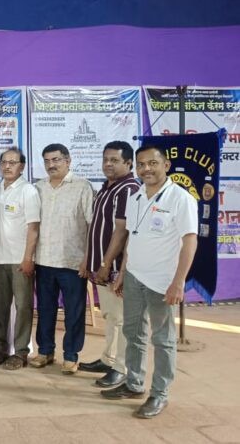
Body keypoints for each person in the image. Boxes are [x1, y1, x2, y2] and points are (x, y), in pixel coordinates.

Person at [101, 144, 197, 419]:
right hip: (134, 277)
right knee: (133, 332)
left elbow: (189, 241)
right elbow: (132, 237)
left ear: (166, 165)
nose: (146, 169)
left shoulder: (180, 199)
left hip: (162, 282)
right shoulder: (136, 197)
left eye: (152, 163)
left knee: (163, 339)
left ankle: (159, 394)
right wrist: (123, 273)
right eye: (141, 164)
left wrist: (178, 282)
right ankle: (134, 383)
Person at [79, 142, 140, 387]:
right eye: (105, 159)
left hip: (115, 268)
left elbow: (121, 231)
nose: (108, 164)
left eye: (114, 160)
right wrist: (89, 259)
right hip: (100, 266)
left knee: (122, 318)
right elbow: (95, 227)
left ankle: (121, 367)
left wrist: (106, 264)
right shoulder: (106, 188)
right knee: (111, 316)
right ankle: (109, 359)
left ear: (128, 163)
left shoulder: (128, 189)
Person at [31, 144, 94, 374]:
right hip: (44, 260)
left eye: (56, 160)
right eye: (47, 161)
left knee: (74, 312)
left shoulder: (82, 187)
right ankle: (45, 351)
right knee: (45, 310)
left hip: (73, 262)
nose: (51, 165)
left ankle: (71, 355)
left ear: (68, 161)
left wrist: (87, 259)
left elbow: (92, 225)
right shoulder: (38, 188)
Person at [0, 148, 40, 370]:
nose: (7, 166)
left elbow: (34, 228)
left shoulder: (28, 191)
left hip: (20, 260)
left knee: (23, 306)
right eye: (4, 162)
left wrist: (28, 258)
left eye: (13, 162)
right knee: (0, 307)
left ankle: (20, 352)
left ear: (22, 166)